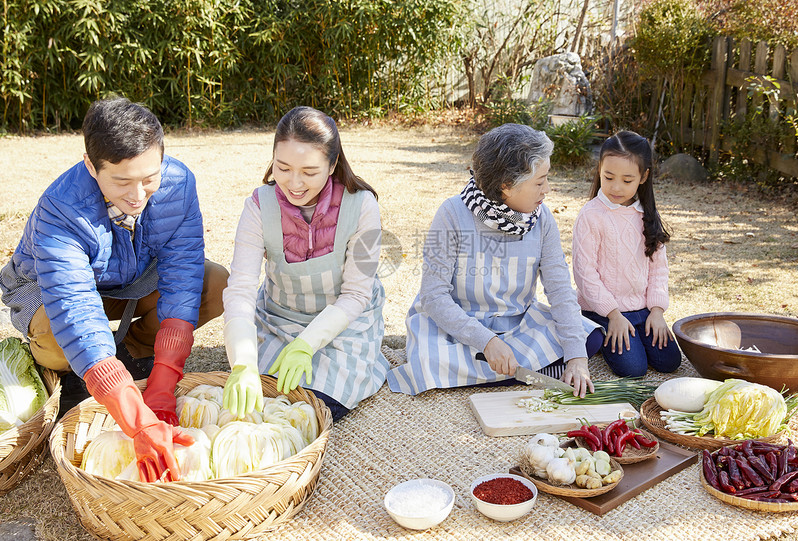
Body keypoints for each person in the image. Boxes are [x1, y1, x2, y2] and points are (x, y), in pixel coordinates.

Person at [0, 97, 228, 482]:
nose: (138, 194)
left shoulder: (178, 183)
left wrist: (165, 377)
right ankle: (94, 371)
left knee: (216, 283)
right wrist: (136, 420)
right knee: (61, 342)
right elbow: (74, 306)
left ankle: (136, 355)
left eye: (149, 179)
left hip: (132, 279)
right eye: (122, 181)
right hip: (50, 286)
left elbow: (182, 272)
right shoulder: (60, 208)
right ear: (91, 165)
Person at [386, 123, 597, 397]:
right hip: (459, 327)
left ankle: (492, 372)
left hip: (516, 322)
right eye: (540, 181)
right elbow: (433, 297)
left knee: (588, 340)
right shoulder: (452, 214)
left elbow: (559, 290)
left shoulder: (542, 218)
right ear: (506, 186)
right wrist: (486, 342)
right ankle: (512, 370)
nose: (548, 189)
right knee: (427, 363)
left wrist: (577, 360)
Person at [220, 106, 387, 423]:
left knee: (312, 407)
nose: (294, 183)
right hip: (278, 320)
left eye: (309, 172)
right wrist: (242, 363)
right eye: (282, 168)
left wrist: (306, 345)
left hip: (344, 328)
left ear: (332, 164)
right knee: (261, 399)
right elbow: (240, 289)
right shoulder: (258, 206)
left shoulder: (361, 206)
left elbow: (355, 294)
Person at [571, 130, 682, 378]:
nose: (616, 187)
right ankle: (596, 332)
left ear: (643, 177)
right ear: (599, 169)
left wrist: (656, 311)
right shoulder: (591, 216)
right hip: (604, 311)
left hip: (643, 310)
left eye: (627, 180)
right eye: (608, 177)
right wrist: (613, 315)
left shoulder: (646, 214)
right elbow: (584, 274)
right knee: (634, 369)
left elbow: (658, 269)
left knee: (670, 361)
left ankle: (632, 335)